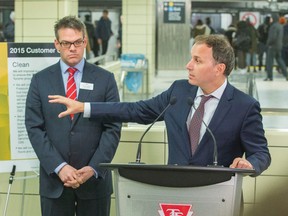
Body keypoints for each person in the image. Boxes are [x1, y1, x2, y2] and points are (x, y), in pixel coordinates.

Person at [49, 34, 271, 177]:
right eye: (191, 58)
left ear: (219, 68)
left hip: (219, 195)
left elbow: (261, 153)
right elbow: (135, 110)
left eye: (197, 60)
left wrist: (249, 164)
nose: (188, 65)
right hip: (174, 195)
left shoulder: (245, 106)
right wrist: (84, 107)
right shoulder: (179, 91)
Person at [25, 15, 121, 216]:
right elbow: (34, 128)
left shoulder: (105, 79)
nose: (72, 48)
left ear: (85, 42)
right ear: (56, 44)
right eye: (66, 43)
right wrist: (60, 167)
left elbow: (112, 129)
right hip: (55, 183)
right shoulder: (40, 81)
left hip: (94, 182)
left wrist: (93, 168)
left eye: (78, 42)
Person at [265, 13, 288, 81]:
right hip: (279, 46)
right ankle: (286, 75)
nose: (270, 19)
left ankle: (269, 76)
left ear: (274, 18)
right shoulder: (280, 26)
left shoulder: (273, 26)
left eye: (271, 18)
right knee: (279, 60)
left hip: (272, 46)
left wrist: (268, 44)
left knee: (269, 61)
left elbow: (272, 37)